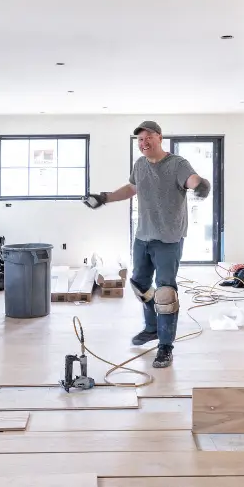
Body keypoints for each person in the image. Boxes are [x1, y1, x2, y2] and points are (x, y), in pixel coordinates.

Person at [83, 121, 210, 368]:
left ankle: (165, 346)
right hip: (143, 237)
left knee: (165, 292)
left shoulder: (177, 164)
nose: (144, 143)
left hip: (168, 240)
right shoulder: (140, 164)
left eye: (148, 138)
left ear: (159, 138)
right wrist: (104, 197)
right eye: (140, 140)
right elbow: (132, 188)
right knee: (140, 284)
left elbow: (191, 179)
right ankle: (152, 327)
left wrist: (201, 184)